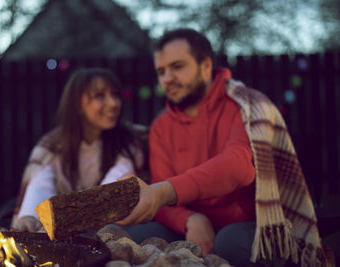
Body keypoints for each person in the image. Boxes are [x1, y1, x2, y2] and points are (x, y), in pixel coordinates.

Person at [116, 29, 331, 266]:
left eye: (177, 66)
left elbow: (239, 166)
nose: (167, 78)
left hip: (246, 223)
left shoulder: (245, 106)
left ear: (206, 66)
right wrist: (191, 219)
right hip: (189, 226)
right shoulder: (161, 125)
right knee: (131, 238)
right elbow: (162, 198)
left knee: (231, 243)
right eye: (161, 71)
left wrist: (162, 192)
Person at [11, 67, 143, 232]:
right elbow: (41, 182)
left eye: (115, 95)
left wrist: (86, 216)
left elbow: (117, 180)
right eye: (100, 96)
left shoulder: (127, 141)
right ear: (77, 105)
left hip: (106, 227)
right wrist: (30, 217)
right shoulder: (52, 145)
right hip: (60, 223)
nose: (114, 103)